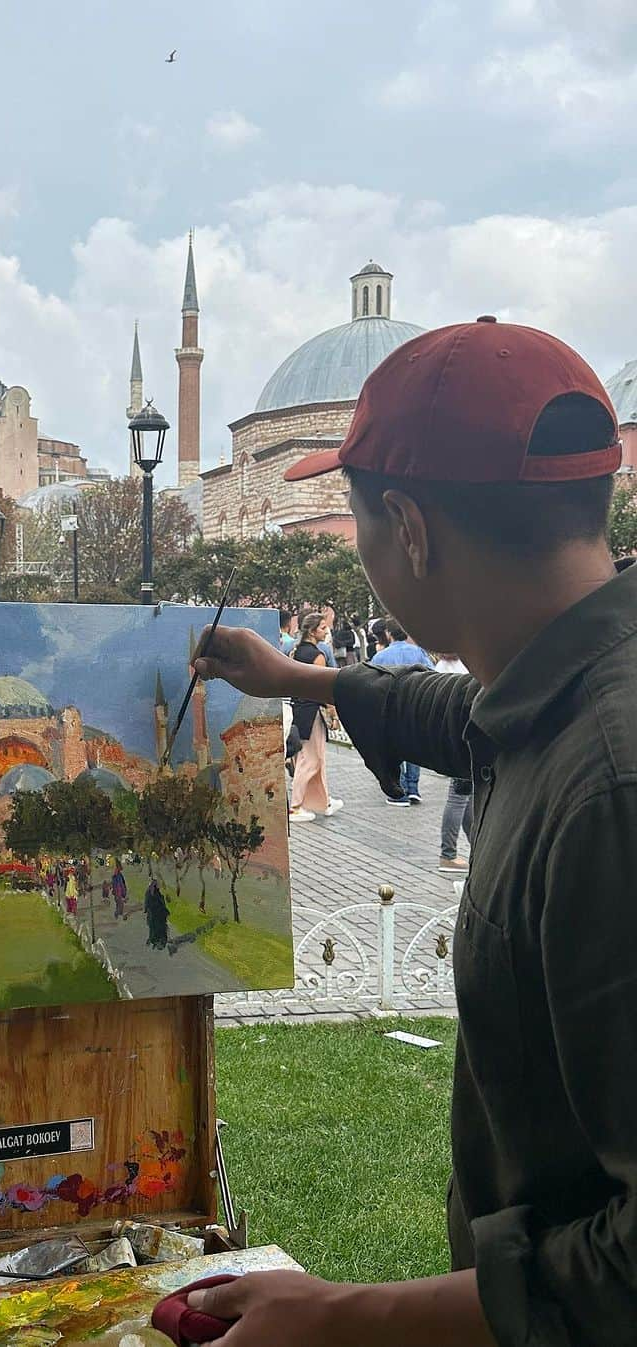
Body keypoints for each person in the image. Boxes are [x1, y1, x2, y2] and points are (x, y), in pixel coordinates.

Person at [189, 317, 637, 1346]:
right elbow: (465, 724)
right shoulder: (567, 680)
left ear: (411, 528)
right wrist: (300, 678)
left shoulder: (613, 789)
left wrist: (347, 1319)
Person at [370, 617, 435, 804]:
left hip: (390, 708)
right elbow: (431, 674)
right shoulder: (418, 652)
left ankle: (400, 790)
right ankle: (413, 787)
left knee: (395, 749)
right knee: (413, 748)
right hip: (414, 705)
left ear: (388, 634)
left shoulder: (381, 657)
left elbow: (372, 681)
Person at [287, 613, 342, 822]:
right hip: (312, 712)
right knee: (310, 760)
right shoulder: (317, 656)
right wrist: (333, 712)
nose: (326, 631)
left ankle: (323, 800)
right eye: (322, 627)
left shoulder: (295, 652)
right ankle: (295, 806)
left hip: (299, 709)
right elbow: (323, 687)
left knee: (315, 758)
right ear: (312, 631)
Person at [436, 654, 474, 874]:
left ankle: (475, 846)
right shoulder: (451, 666)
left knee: (468, 797)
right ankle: (448, 854)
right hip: (462, 737)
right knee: (459, 796)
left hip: (458, 736)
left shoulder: (445, 665)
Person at [143, 878, 169, 949]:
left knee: (156, 927)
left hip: (157, 914)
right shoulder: (151, 893)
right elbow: (149, 903)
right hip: (155, 914)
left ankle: (155, 939)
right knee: (155, 927)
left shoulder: (155, 893)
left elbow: (147, 903)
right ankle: (154, 939)